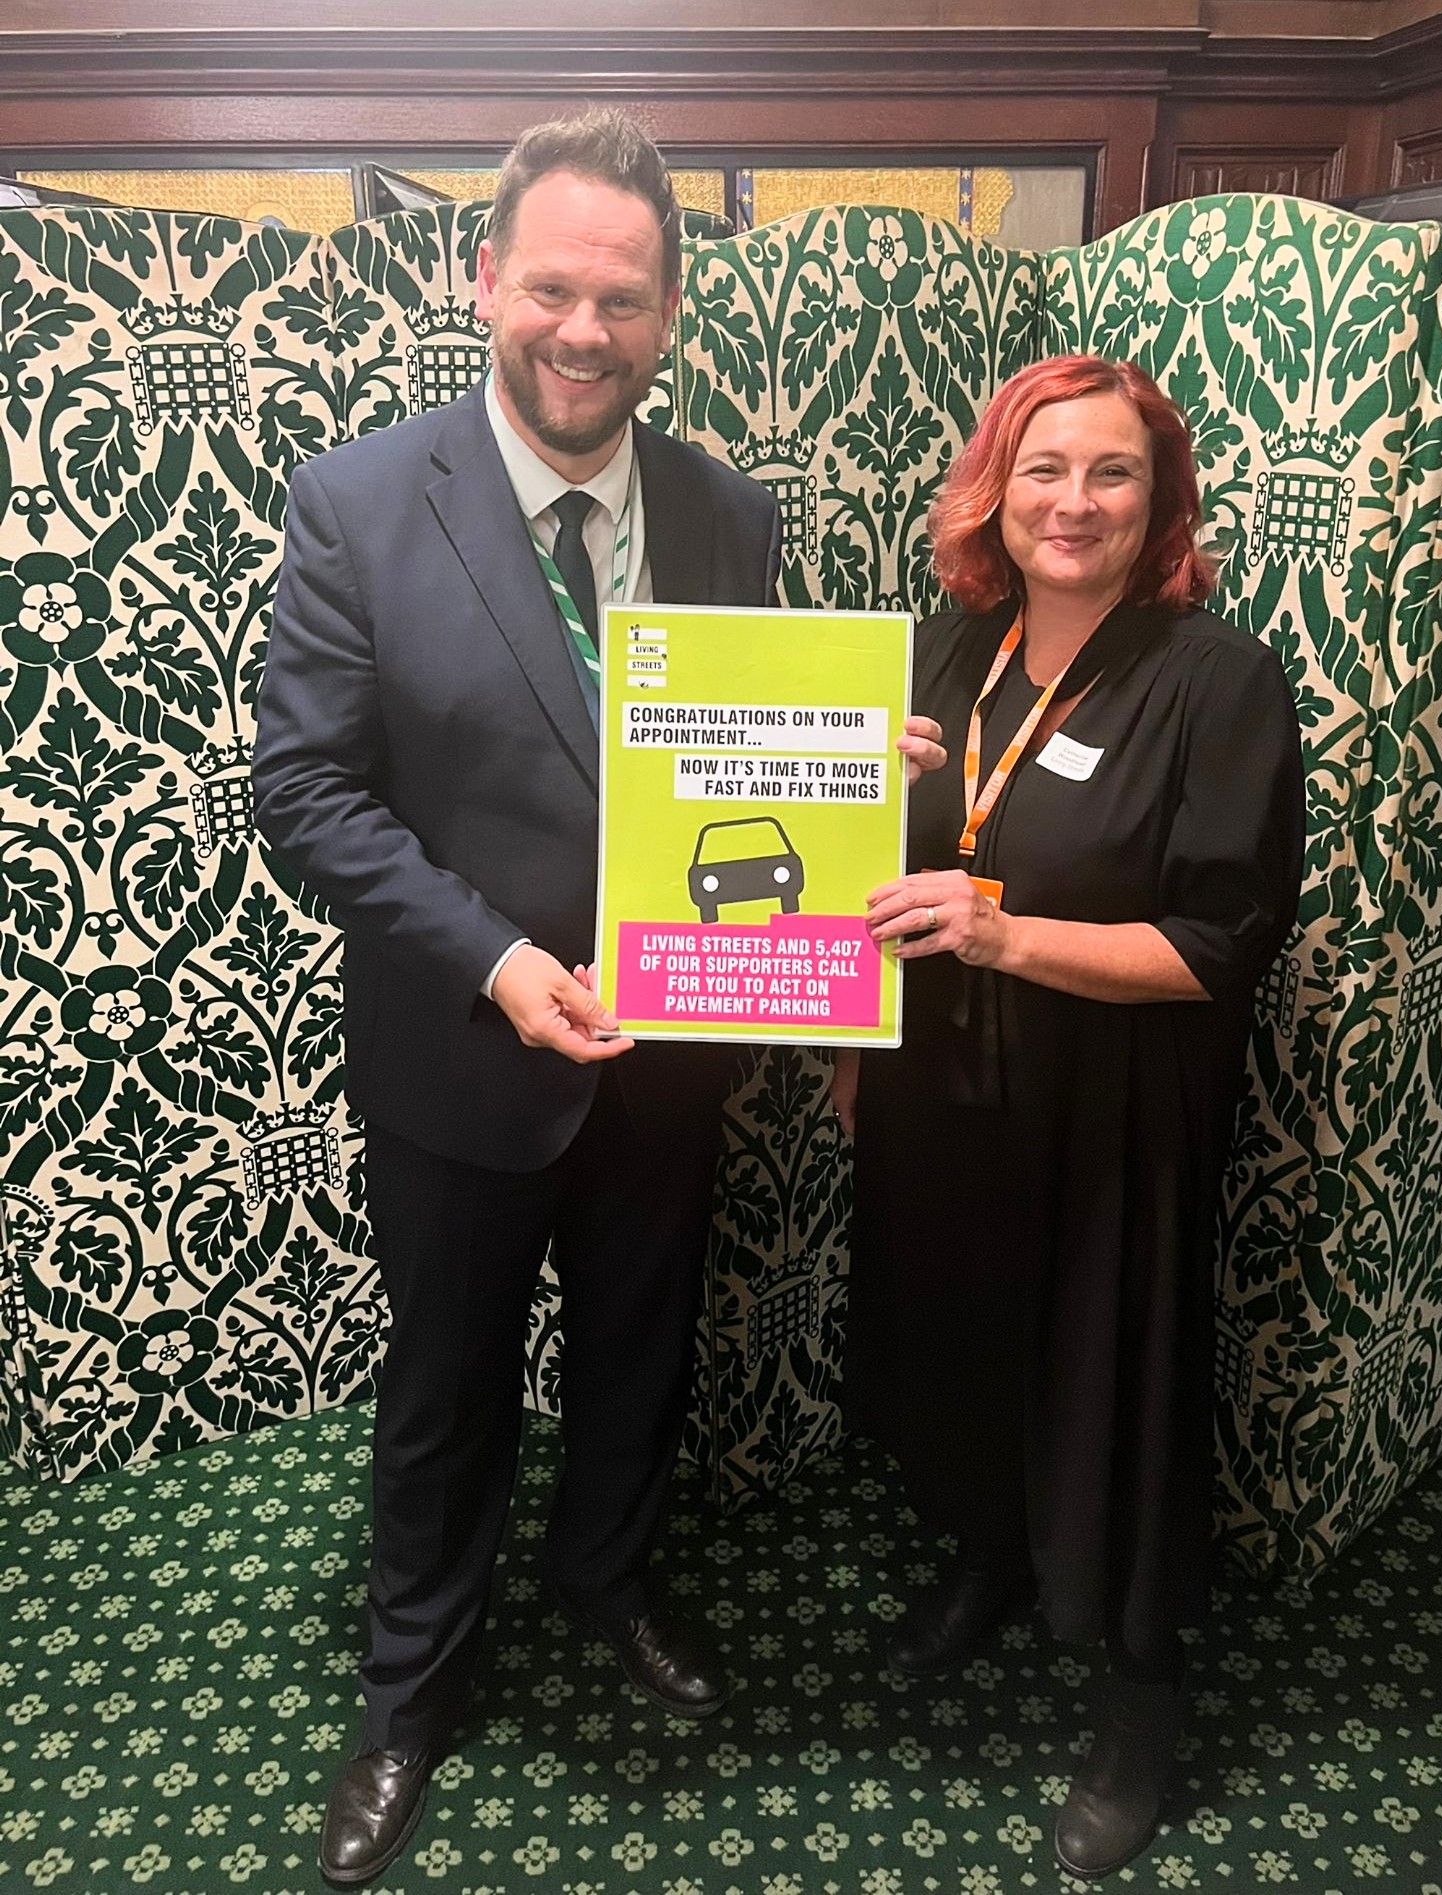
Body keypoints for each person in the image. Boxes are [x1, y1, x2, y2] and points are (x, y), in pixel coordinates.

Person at [254, 110, 942, 1888]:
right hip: (465, 1060)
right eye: (552, 286)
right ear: (482, 280)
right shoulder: (355, 503)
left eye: (622, 298)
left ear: (671, 315)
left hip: (671, 1061)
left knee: (643, 1358)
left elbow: (738, 766)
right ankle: (410, 1693)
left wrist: (850, 762)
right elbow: (309, 795)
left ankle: (607, 1577)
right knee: (448, 1388)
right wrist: (501, 959)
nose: (585, 328)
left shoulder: (730, 509)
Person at [833, 355, 1304, 1881]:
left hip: (1111, 1113)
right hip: (938, 1098)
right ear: (995, 486)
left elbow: (1217, 946)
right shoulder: (942, 652)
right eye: (1045, 470)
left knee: (1121, 1395)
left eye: (1112, 474)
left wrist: (999, 932)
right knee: (959, 1349)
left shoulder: (1215, 680)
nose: (1074, 503)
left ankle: (1142, 1700)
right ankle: (986, 1556)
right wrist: (857, 787)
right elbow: (864, 880)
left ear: (1160, 500)